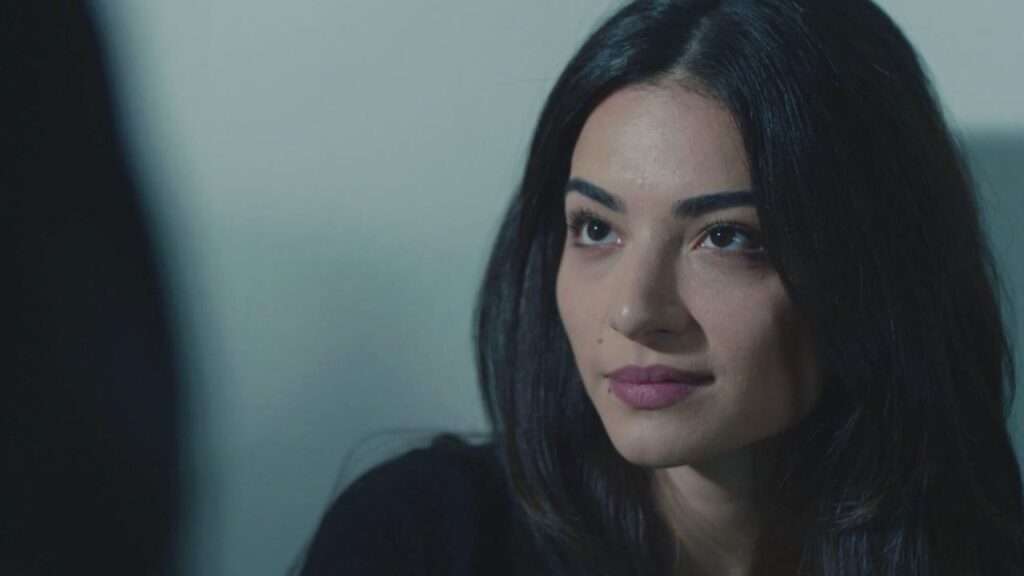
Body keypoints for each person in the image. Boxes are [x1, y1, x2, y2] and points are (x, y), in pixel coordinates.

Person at [300, 0, 1024, 574]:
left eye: (727, 237)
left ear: (875, 268)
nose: (634, 310)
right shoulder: (421, 538)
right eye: (596, 228)